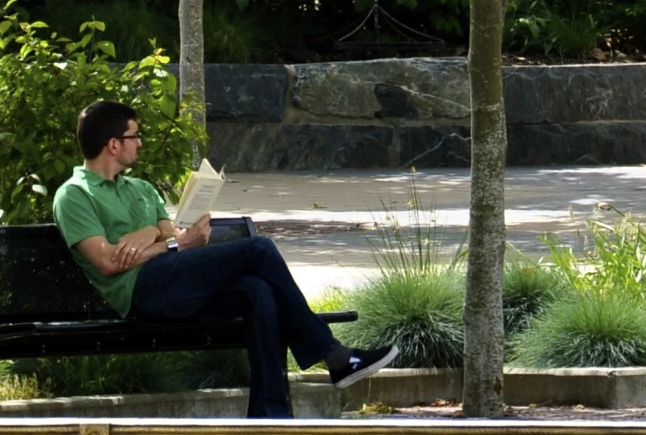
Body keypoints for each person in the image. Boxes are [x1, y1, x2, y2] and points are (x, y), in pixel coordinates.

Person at [51, 100, 396, 419]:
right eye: (135, 136)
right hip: (141, 293)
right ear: (113, 144)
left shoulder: (140, 189)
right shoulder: (74, 195)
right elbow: (109, 263)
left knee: (256, 290)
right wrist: (169, 243)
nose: (140, 142)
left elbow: (171, 234)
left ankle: (270, 416)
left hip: (176, 283)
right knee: (258, 249)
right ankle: (334, 355)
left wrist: (149, 235)